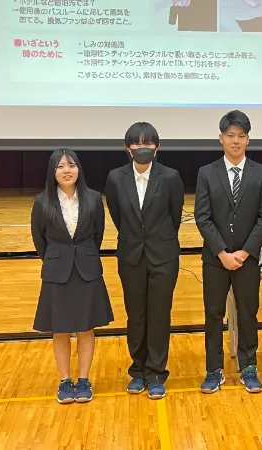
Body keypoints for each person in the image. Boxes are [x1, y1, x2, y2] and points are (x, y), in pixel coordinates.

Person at [195, 110, 262, 394]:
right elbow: (202, 217)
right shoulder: (206, 172)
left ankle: (249, 367)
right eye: (230, 136)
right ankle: (213, 370)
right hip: (215, 259)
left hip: (247, 259)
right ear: (221, 138)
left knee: (248, 313)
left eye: (241, 136)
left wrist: (244, 252)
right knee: (214, 314)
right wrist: (222, 253)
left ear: (248, 139)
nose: (236, 141)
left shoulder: (261, 173)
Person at [105, 122, 184, 400]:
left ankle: (157, 372)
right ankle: (138, 371)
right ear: (127, 148)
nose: (142, 148)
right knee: (136, 315)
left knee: (159, 315)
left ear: (157, 147)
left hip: (163, 256)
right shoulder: (116, 178)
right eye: (137, 143)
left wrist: (157, 240)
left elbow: (175, 216)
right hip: (131, 256)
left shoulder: (170, 176)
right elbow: (117, 215)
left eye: (148, 143)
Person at [31, 148, 113, 404]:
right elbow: (40, 241)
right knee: (61, 330)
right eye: (60, 166)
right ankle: (65, 381)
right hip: (57, 273)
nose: (67, 170)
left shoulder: (93, 198)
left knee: (86, 328)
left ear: (79, 169)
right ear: (53, 171)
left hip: (87, 270)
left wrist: (82, 256)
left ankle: (84, 379)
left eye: (71, 165)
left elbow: (97, 235)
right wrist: (58, 260)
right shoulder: (42, 202)